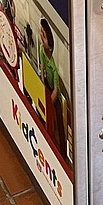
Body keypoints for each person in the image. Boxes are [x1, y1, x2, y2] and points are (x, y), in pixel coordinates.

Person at [39, 18, 66, 153]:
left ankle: (60, 151)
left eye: (44, 36)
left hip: (55, 98)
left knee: (58, 125)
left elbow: (56, 90)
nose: (41, 38)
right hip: (47, 88)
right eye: (41, 34)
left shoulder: (55, 67)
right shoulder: (41, 50)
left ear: (50, 45)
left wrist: (47, 103)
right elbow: (41, 68)